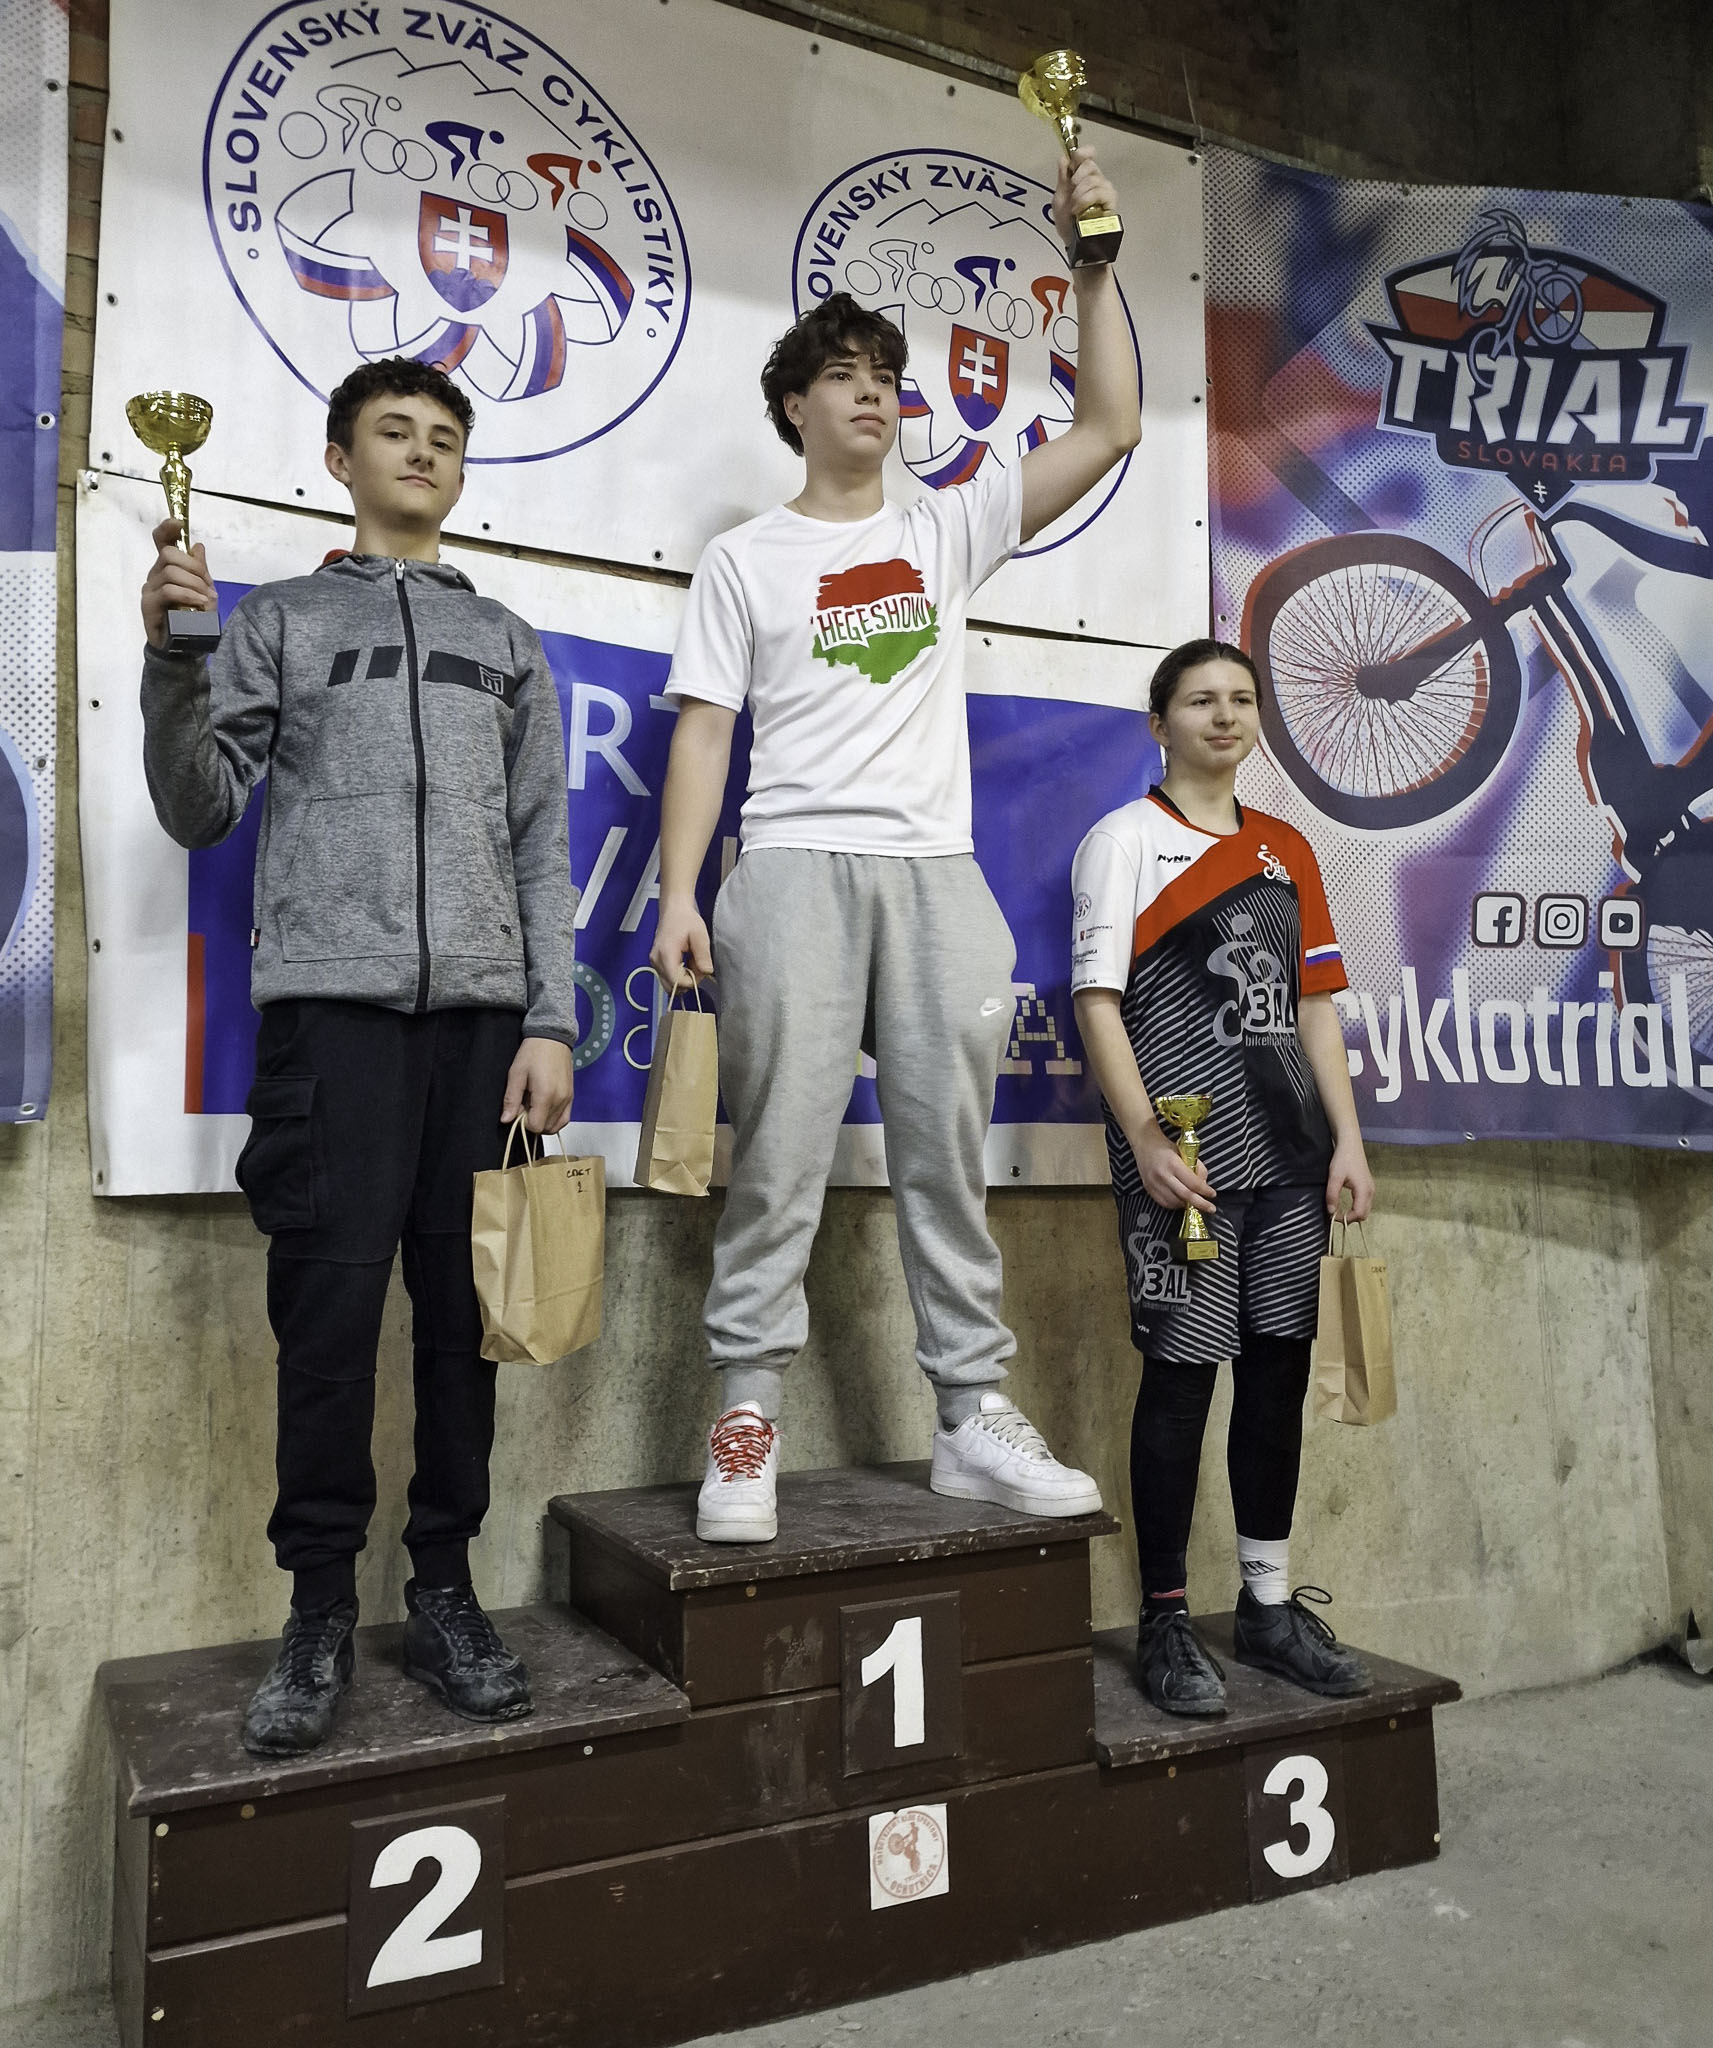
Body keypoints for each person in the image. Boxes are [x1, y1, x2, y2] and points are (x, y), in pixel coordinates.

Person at [651, 150, 1139, 1543]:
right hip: (791, 867)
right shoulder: (747, 558)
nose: (872, 392)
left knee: (944, 1161)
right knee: (780, 1160)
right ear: (794, 407)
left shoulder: (946, 525)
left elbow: (1111, 425)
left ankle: (971, 1416)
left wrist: (1092, 264)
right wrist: (680, 892)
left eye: (887, 376)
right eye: (843, 375)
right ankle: (746, 1417)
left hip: (937, 875)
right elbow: (704, 733)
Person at [138, 357, 577, 1755]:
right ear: (341, 459)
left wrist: (549, 1020)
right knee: (325, 1328)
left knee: (462, 1326)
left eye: (444, 436)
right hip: (329, 1023)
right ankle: (318, 1606)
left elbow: (541, 847)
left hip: (483, 1034)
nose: (421, 452)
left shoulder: (506, 642)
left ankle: (444, 1587)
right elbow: (201, 807)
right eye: (394, 431)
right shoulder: (281, 621)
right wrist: (175, 660)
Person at [1070, 639, 1374, 1715]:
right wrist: (1146, 1138)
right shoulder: (1122, 841)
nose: (1225, 715)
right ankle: (1163, 1617)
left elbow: (1315, 1006)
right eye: (1201, 700)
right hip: (1185, 1165)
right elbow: (1097, 1002)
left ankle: (1266, 1607)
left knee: (1278, 1373)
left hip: (1291, 1158)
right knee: (1182, 1379)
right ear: (1159, 723)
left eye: (1242, 699)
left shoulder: (1288, 848)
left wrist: (1347, 1139)